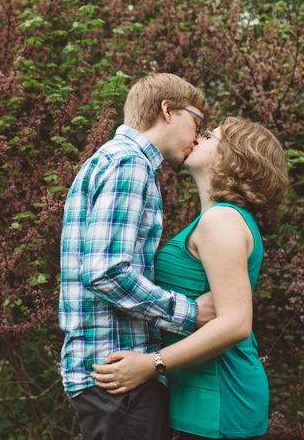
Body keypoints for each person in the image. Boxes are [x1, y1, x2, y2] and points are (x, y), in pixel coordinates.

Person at [89, 116, 289, 439]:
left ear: (233, 157)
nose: (199, 137)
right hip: (202, 395)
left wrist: (149, 364)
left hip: (219, 396)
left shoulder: (221, 220)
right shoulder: (219, 219)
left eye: (211, 136)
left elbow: (236, 323)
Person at [59, 73, 218, 440]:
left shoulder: (114, 160)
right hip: (118, 377)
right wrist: (190, 313)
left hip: (112, 375)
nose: (198, 135)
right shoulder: (129, 164)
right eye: (198, 121)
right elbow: (106, 272)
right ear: (167, 110)